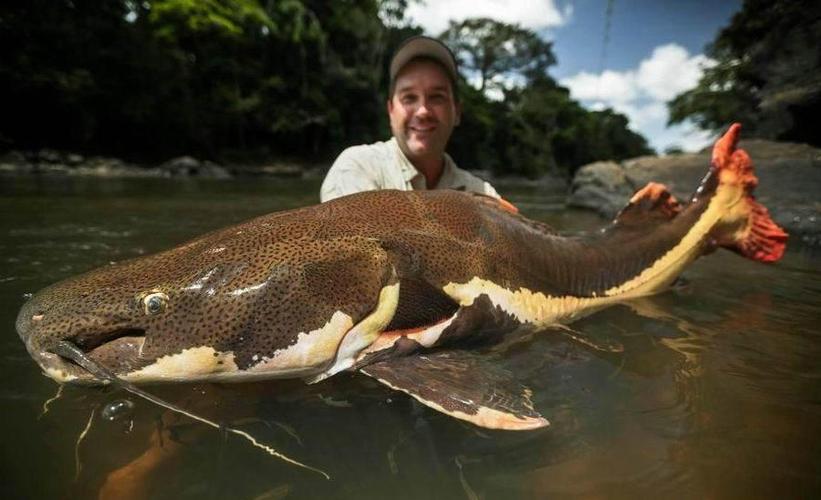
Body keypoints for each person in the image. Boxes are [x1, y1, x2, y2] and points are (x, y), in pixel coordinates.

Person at [320, 35, 501, 203]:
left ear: (457, 112)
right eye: (409, 98)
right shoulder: (358, 167)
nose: (423, 111)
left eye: (436, 97)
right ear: (390, 111)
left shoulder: (483, 195)